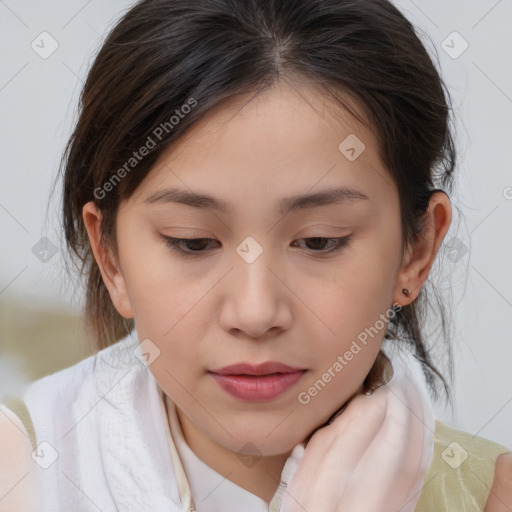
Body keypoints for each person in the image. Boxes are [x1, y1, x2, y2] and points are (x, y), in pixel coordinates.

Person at [1, 0, 511, 510]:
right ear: (110, 257)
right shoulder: (22, 473)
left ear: (416, 251)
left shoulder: (491, 495)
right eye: (192, 242)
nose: (255, 312)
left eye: (319, 241)